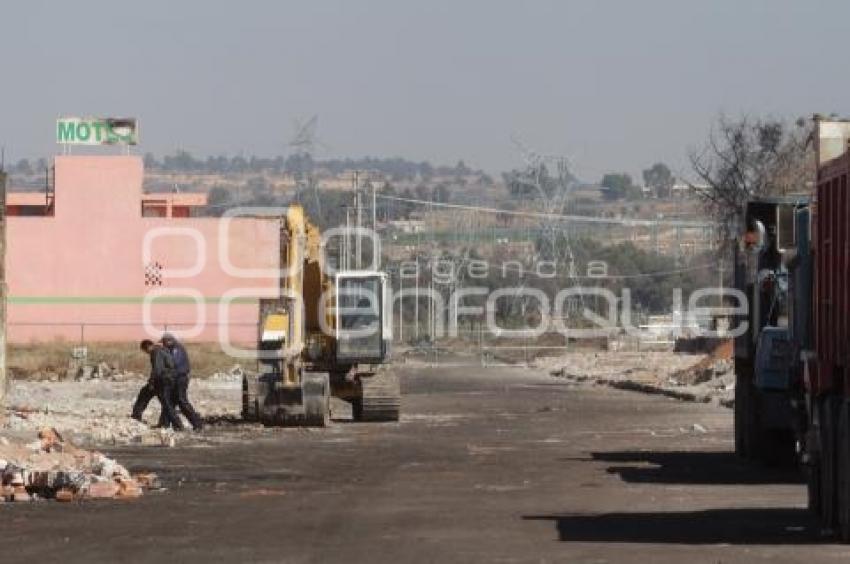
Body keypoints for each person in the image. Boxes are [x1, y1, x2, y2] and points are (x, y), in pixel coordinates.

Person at [132, 339, 184, 431]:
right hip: (169, 379)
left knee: (160, 401)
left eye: (145, 351)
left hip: (163, 379)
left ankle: (177, 425)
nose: (146, 353)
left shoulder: (156, 352)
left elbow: (157, 369)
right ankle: (165, 424)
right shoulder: (162, 350)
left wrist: (152, 382)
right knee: (165, 402)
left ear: (148, 347)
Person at [161, 333, 204, 431]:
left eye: (164, 342)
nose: (163, 344)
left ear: (169, 340)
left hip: (180, 378)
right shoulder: (172, 349)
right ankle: (166, 424)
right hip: (175, 378)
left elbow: (175, 363)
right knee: (169, 402)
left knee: (181, 401)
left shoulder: (177, 349)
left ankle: (197, 424)